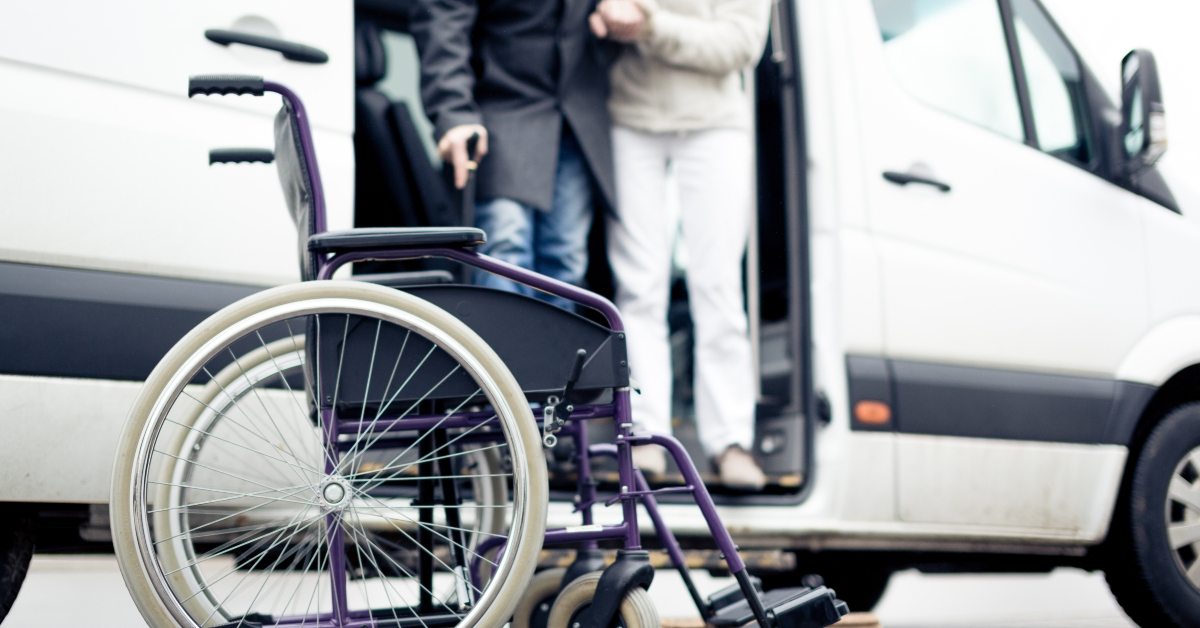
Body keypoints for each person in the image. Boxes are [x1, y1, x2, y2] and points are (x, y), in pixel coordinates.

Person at [590, 0, 770, 489]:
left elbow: (739, 45)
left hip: (714, 127)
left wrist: (651, 26)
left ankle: (730, 442)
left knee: (718, 287)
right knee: (637, 287)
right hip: (629, 119)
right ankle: (644, 433)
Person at [412, 0, 636, 309]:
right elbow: (443, 18)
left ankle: (555, 357)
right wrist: (453, 111)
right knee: (505, 248)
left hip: (577, 117)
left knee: (565, 258)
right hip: (503, 108)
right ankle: (501, 356)